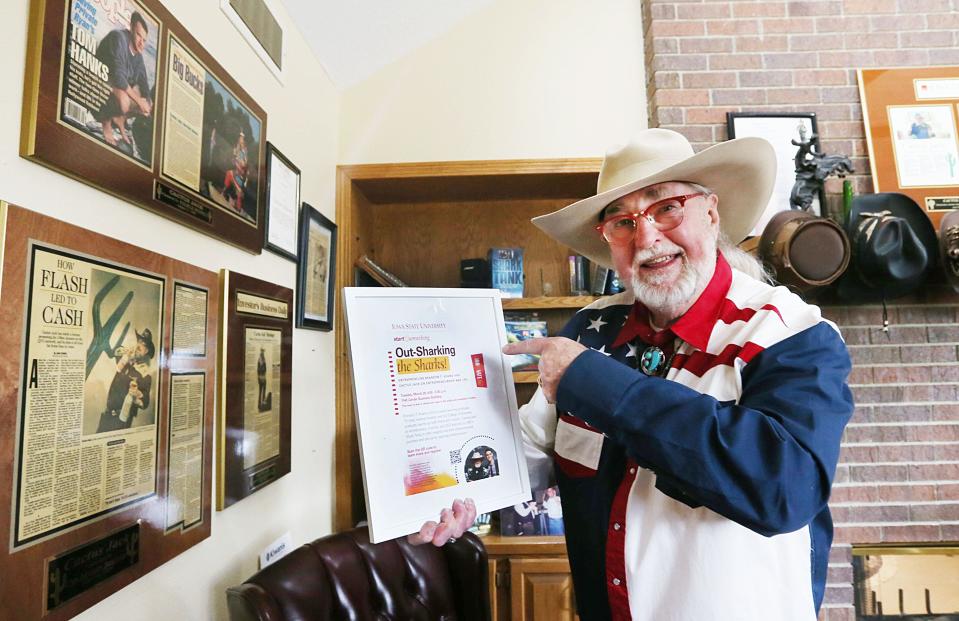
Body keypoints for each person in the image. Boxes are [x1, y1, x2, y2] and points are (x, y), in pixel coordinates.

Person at [412, 129, 854, 621]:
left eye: (666, 208)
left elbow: (783, 489)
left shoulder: (790, 332)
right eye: (622, 222)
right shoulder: (590, 330)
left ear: (710, 212)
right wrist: (449, 494)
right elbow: (525, 453)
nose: (646, 238)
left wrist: (595, 384)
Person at [95, 11, 153, 147]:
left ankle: (120, 119)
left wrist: (147, 103)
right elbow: (119, 78)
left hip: (114, 85)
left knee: (148, 102)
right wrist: (139, 101)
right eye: (139, 35)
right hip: (98, 77)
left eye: (144, 40)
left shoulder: (138, 57)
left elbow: (144, 84)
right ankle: (106, 123)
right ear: (132, 28)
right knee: (125, 100)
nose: (141, 43)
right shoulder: (118, 38)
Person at [97, 328, 156, 432]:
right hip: (107, 415)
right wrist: (127, 356)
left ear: (146, 352)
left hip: (122, 420)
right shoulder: (125, 361)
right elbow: (116, 353)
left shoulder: (145, 375)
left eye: (143, 344)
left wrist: (137, 394)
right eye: (139, 341)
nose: (139, 345)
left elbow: (145, 403)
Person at [223, 131, 249, 213]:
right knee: (229, 174)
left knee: (239, 190)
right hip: (236, 171)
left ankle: (238, 205)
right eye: (240, 137)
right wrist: (235, 159)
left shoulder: (245, 151)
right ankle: (225, 192)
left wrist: (240, 164)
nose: (240, 139)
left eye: (242, 138)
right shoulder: (237, 148)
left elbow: (244, 164)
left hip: (240, 175)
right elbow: (234, 158)